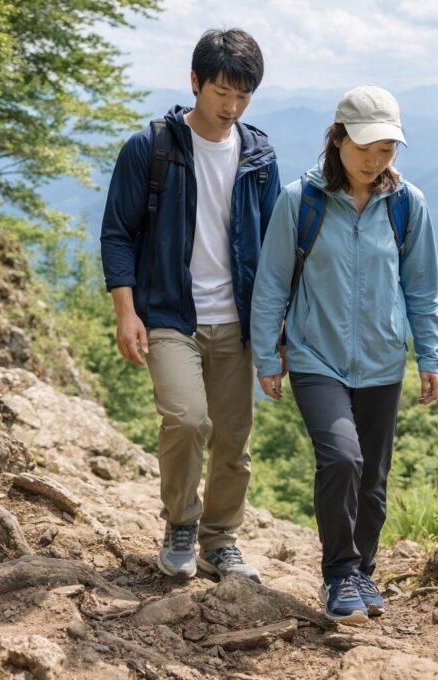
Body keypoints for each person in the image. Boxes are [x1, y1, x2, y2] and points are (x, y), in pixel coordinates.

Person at [250, 86, 438, 622]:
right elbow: (271, 284)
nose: (374, 161)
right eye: (363, 149)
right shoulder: (301, 200)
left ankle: (363, 572)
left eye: (386, 150)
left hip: (383, 361)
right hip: (316, 357)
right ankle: (338, 576)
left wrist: (430, 355)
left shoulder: (407, 205)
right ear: (336, 140)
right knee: (342, 459)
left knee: (373, 481)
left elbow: (421, 288)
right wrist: (268, 355)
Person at [99, 29, 280, 582]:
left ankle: (220, 540)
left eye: (243, 96)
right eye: (222, 92)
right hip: (171, 313)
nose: (231, 107)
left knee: (233, 438)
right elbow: (117, 234)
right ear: (196, 82)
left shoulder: (259, 155)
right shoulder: (151, 148)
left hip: (237, 321)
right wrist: (126, 312)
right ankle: (181, 523)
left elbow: (275, 246)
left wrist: (277, 330)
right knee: (186, 418)